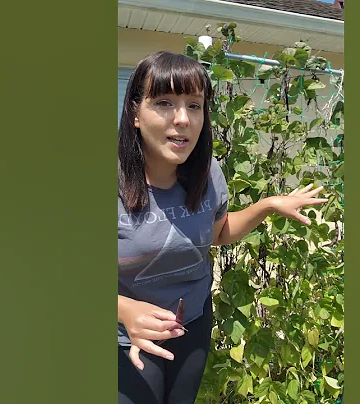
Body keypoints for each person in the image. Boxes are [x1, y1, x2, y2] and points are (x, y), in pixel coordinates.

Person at [117, 51, 327, 404]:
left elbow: (217, 234)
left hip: (192, 322)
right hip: (127, 336)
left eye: (194, 105)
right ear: (136, 113)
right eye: (165, 102)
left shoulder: (206, 172)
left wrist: (266, 205)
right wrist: (124, 309)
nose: (182, 119)